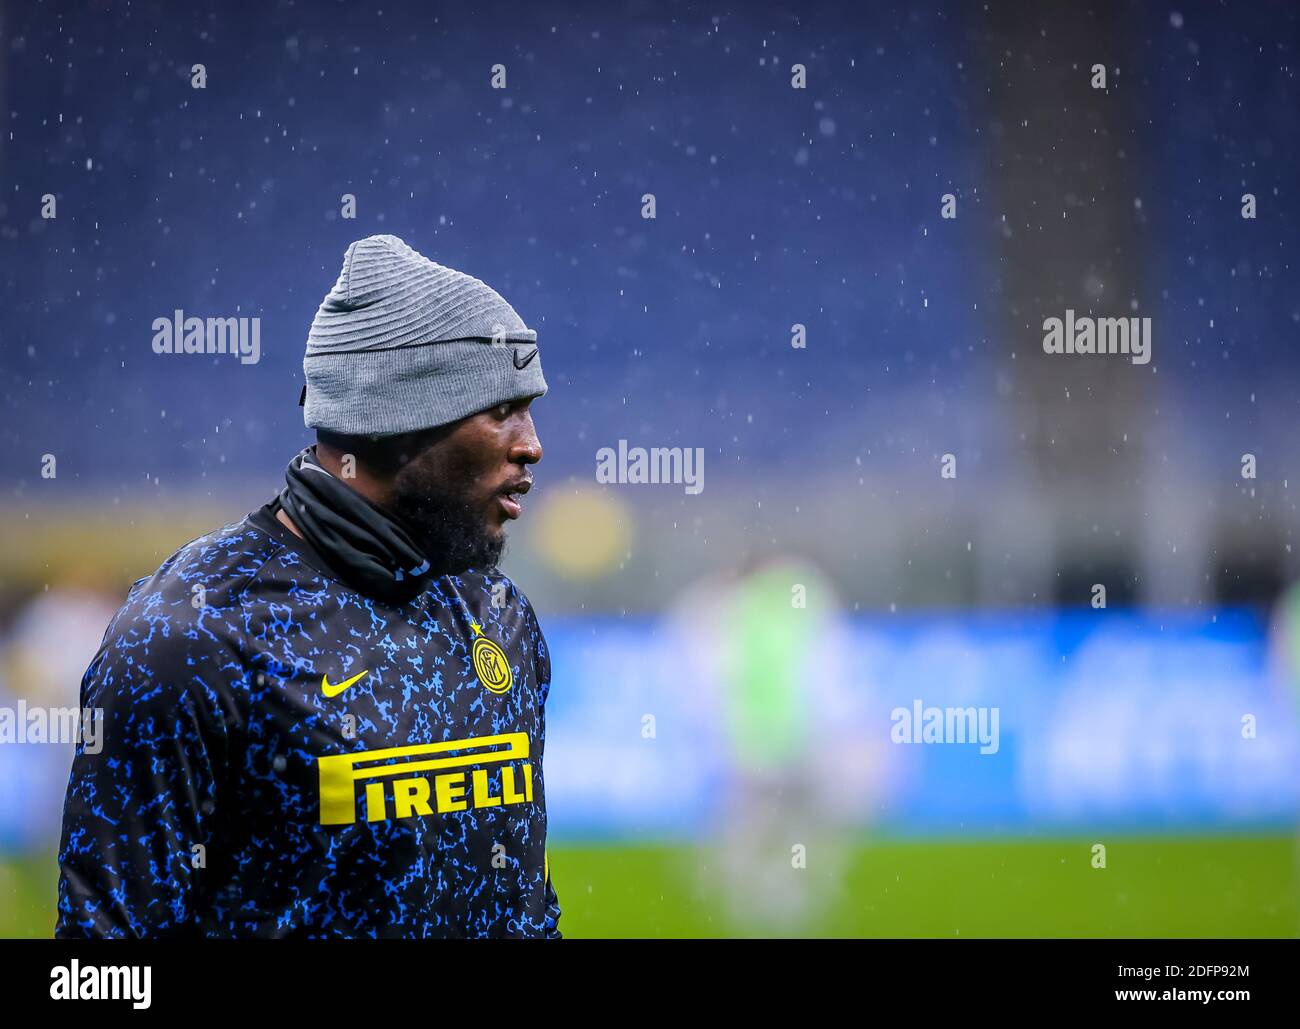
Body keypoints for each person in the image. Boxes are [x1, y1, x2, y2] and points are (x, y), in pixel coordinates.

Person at [55, 234, 560, 938]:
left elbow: (527, 912)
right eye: (503, 408)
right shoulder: (189, 638)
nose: (531, 443)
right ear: (398, 418)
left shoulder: (496, 613)